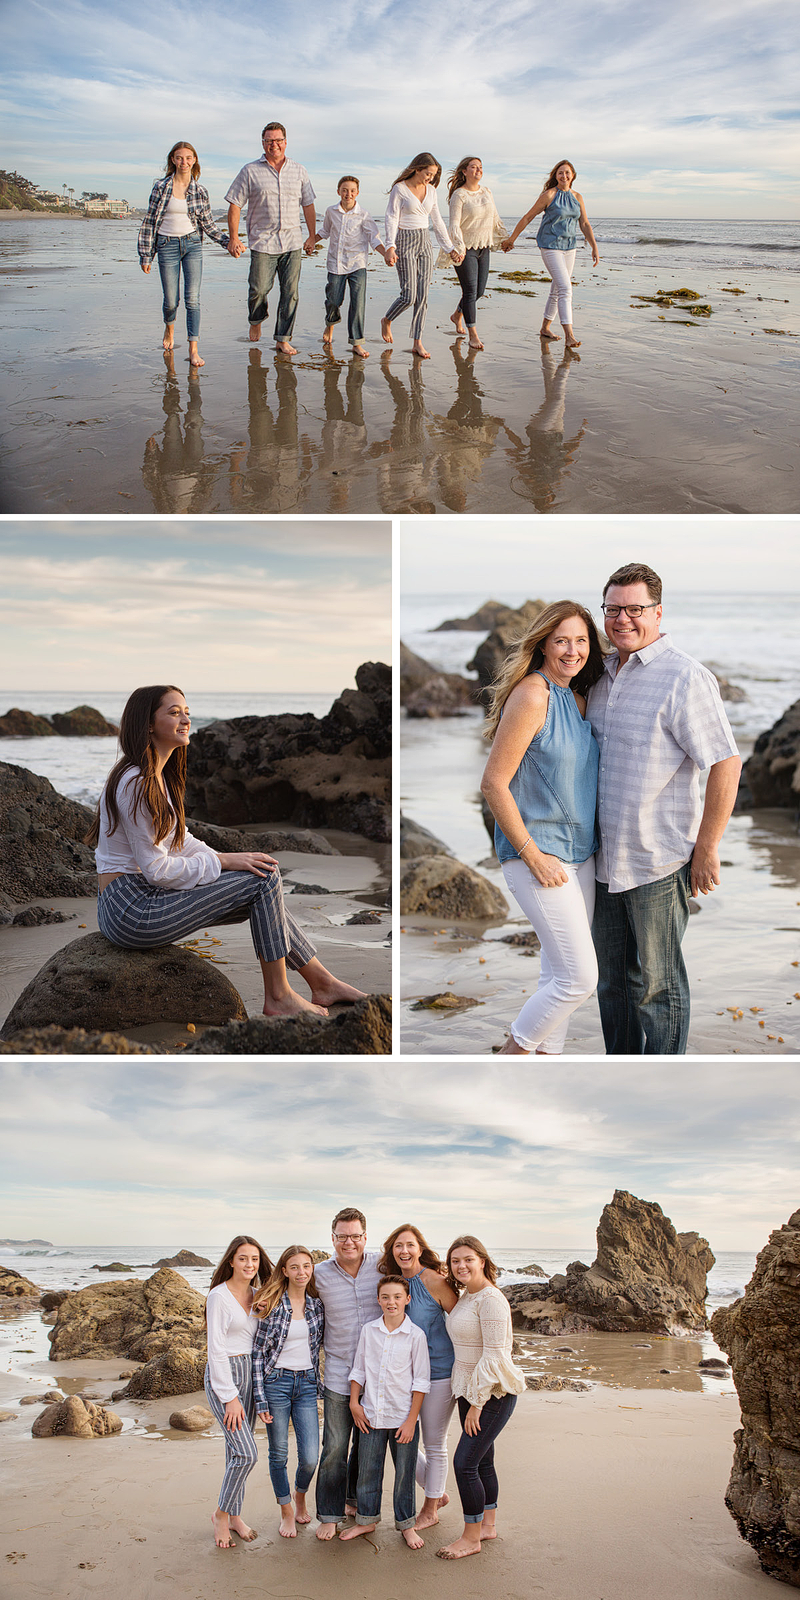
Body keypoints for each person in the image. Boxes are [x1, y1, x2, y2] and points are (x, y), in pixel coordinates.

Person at [86, 684, 366, 1020]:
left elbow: (181, 840)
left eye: (186, 711)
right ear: (147, 724)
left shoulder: (158, 777)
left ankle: (323, 983)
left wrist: (233, 863)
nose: (185, 719)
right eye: (174, 712)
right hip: (131, 911)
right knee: (263, 881)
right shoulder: (135, 781)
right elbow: (156, 870)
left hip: (139, 901)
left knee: (258, 875)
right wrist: (223, 861)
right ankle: (279, 997)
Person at [587, 562, 742, 1055]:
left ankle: (662, 1071)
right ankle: (622, 1069)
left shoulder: (685, 677)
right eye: (613, 609)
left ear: (658, 612)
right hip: (600, 861)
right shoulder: (599, 675)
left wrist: (708, 847)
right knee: (611, 986)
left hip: (657, 861)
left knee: (658, 986)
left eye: (635, 609)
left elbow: (725, 762)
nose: (622, 619)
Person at [481, 602, 607, 1055]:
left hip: (581, 856)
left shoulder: (578, 700)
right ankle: (513, 1056)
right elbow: (493, 783)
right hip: (536, 855)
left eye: (581, 640)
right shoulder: (533, 695)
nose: (572, 650)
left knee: (556, 974)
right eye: (561, 641)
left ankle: (544, 1065)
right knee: (579, 980)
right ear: (543, 646)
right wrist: (532, 854)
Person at [436, 1236, 525, 1561]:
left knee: (465, 1463)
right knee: (483, 1460)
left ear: (482, 1261)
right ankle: (487, 1525)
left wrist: (477, 1404)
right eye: (455, 1261)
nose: (461, 1266)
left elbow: (494, 1355)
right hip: (469, 1388)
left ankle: (471, 1537)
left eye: (468, 1259)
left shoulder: (491, 1300)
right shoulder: (466, 1296)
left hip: (492, 1394)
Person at [340, 1275, 430, 1550]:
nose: (391, 1302)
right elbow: (359, 1369)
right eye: (386, 1297)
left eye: (397, 1297)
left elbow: (421, 1381)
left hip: (402, 1417)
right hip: (370, 1415)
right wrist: (355, 1403)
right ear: (378, 1300)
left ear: (407, 1300)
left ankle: (407, 1525)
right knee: (368, 1471)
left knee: (404, 1474)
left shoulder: (415, 1336)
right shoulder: (369, 1331)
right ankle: (366, 1519)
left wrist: (412, 1421)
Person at [379, 1223, 457, 1529]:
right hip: (404, 1376)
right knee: (398, 1436)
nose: (404, 1251)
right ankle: (437, 1491)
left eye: (410, 1245)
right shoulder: (392, 1281)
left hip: (439, 1372)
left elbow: (462, 1318)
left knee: (435, 1442)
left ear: (420, 1249)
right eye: (398, 1245)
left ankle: (430, 1508)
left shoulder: (434, 1281)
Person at [138, 140, 239, 369]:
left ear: (194, 161)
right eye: (179, 157)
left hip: (193, 244)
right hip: (166, 245)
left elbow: (208, 224)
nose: (184, 162)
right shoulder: (161, 187)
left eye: (188, 158)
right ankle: (169, 327)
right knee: (171, 300)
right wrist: (146, 255)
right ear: (173, 160)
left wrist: (228, 243)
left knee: (193, 299)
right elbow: (150, 222)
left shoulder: (200, 191)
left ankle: (194, 349)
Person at [314, 1207, 382, 1539]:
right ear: (333, 1239)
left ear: (365, 1238)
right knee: (336, 1445)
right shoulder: (319, 1274)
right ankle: (329, 1512)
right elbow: (286, 1290)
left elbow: (416, 1268)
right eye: (342, 1236)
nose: (349, 1242)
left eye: (356, 1236)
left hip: (377, 1373)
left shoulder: (382, 1265)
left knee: (367, 1446)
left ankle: (355, 1501)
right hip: (340, 1372)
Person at [204, 1235, 273, 1548]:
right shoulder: (219, 1297)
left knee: (235, 1452)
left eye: (255, 1259)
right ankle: (221, 1514)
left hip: (251, 1374)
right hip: (225, 1375)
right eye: (243, 1258)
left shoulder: (260, 1296)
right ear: (231, 1260)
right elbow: (215, 1349)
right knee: (247, 1453)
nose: (250, 1264)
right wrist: (229, 1396)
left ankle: (235, 1516)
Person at [251, 1246, 325, 1538]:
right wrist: (260, 1398)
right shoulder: (270, 1303)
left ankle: (300, 1496)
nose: (302, 1272)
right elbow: (257, 1353)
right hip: (276, 1384)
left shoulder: (316, 1305)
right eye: (294, 1267)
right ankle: (285, 1511)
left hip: (307, 1384)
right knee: (278, 1453)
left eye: (307, 1266)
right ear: (284, 1270)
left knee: (309, 1457)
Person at [225, 123, 317, 355]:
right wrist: (234, 238)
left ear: (285, 142)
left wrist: (312, 237)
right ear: (263, 143)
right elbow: (235, 204)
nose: (273, 144)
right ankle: (256, 320)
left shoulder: (299, 171)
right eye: (268, 141)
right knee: (258, 289)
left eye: (277, 140)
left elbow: (308, 205)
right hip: (263, 242)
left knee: (291, 292)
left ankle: (282, 338)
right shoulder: (250, 171)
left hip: (292, 242)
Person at [501, 159, 599, 348]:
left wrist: (594, 247)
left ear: (573, 175)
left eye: (567, 172)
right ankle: (569, 335)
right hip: (550, 245)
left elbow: (584, 224)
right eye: (560, 172)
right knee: (565, 288)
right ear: (555, 175)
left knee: (557, 289)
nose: (564, 176)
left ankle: (545, 328)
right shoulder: (549, 195)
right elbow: (528, 217)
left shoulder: (578, 197)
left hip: (570, 247)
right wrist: (512, 239)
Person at [382, 153, 463, 359]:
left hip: (425, 242)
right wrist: (390, 246)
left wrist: (449, 247)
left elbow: (437, 221)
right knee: (409, 295)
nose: (430, 178)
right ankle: (387, 319)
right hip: (404, 241)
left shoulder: (432, 191)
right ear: (417, 169)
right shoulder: (400, 189)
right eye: (428, 174)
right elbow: (391, 218)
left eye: (433, 175)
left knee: (423, 296)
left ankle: (417, 341)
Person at [318, 176, 390, 358]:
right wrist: (312, 240)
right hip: (336, 263)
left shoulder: (364, 214)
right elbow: (325, 231)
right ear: (338, 191)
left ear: (357, 193)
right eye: (344, 190)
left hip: (358, 264)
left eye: (352, 190)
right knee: (333, 300)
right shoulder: (331, 211)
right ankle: (330, 323)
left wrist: (386, 253)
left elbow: (374, 238)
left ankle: (356, 343)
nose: (348, 194)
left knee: (358, 304)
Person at [442, 156, 508, 350]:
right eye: (474, 167)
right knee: (470, 291)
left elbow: (494, 218)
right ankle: (473, 334)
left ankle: (457, 315)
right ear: (464, 171)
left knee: (479, 291)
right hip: (465, 249)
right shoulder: (459, 195)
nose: (478, 170)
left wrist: (503, 239)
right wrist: (459, 248)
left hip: (483, 247)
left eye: (480, 167)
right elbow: (454, 224)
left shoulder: (487, 192)